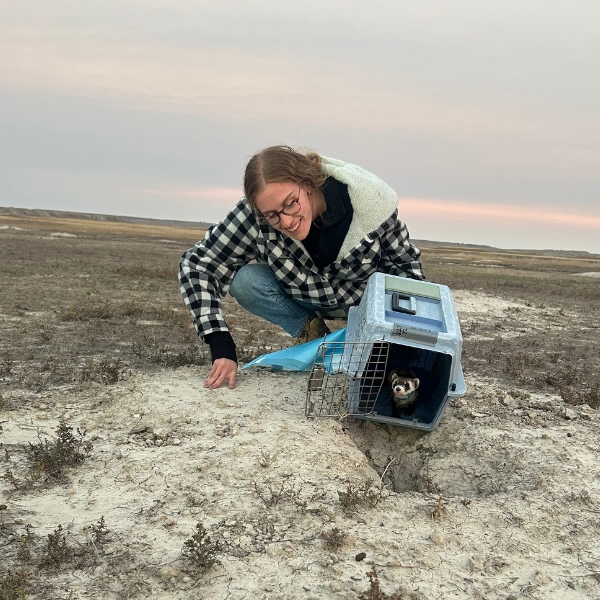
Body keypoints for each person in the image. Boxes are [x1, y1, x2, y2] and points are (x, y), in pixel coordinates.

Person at [179, 146, 425, 390]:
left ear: (307, 184)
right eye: (272, 215)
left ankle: (361, 344)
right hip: (304, 297)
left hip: (363, 307)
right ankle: (317, 337)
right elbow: (198, 263)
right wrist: (220, 344)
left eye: (291, 203)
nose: (286, 221)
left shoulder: (371, 207)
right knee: (246, 281)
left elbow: (408, 273)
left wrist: (407, 339)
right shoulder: (254, 216)